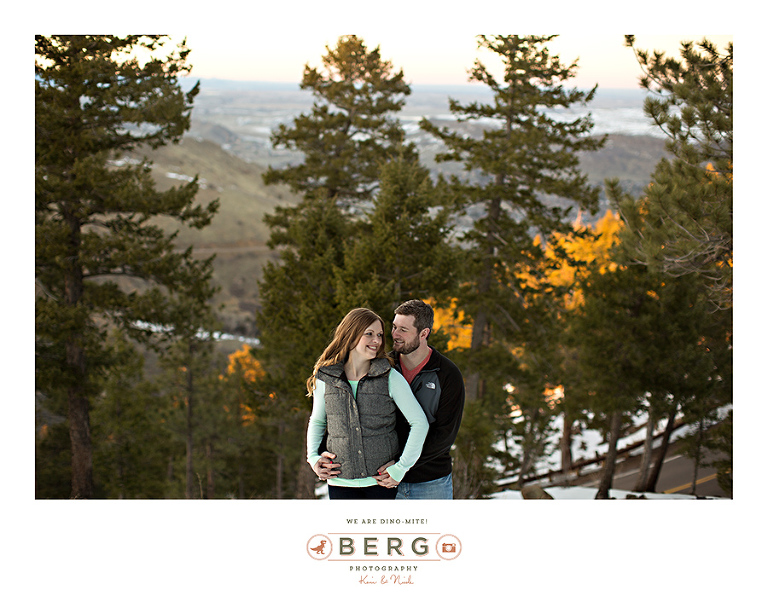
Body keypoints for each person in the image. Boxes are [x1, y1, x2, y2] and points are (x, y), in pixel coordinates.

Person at [306, 308, 428, 499]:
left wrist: (401, 468)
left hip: (379, 483)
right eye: (369, 334)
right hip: (339, 481)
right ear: (351, 335)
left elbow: (420, 423)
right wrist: (313, 458)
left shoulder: (390, 377)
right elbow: (318, 421)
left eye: (379, 335)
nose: (377, 341)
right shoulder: (326, 377)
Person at [376, 299, 465, 499]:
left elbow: (445, 435)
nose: (395, 335)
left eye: (403, 330)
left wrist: (401, 465)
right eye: (394, 327)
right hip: (385, 479)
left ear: (424, 333)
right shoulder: (382, 368)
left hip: (431, 482)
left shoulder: (447, 374)